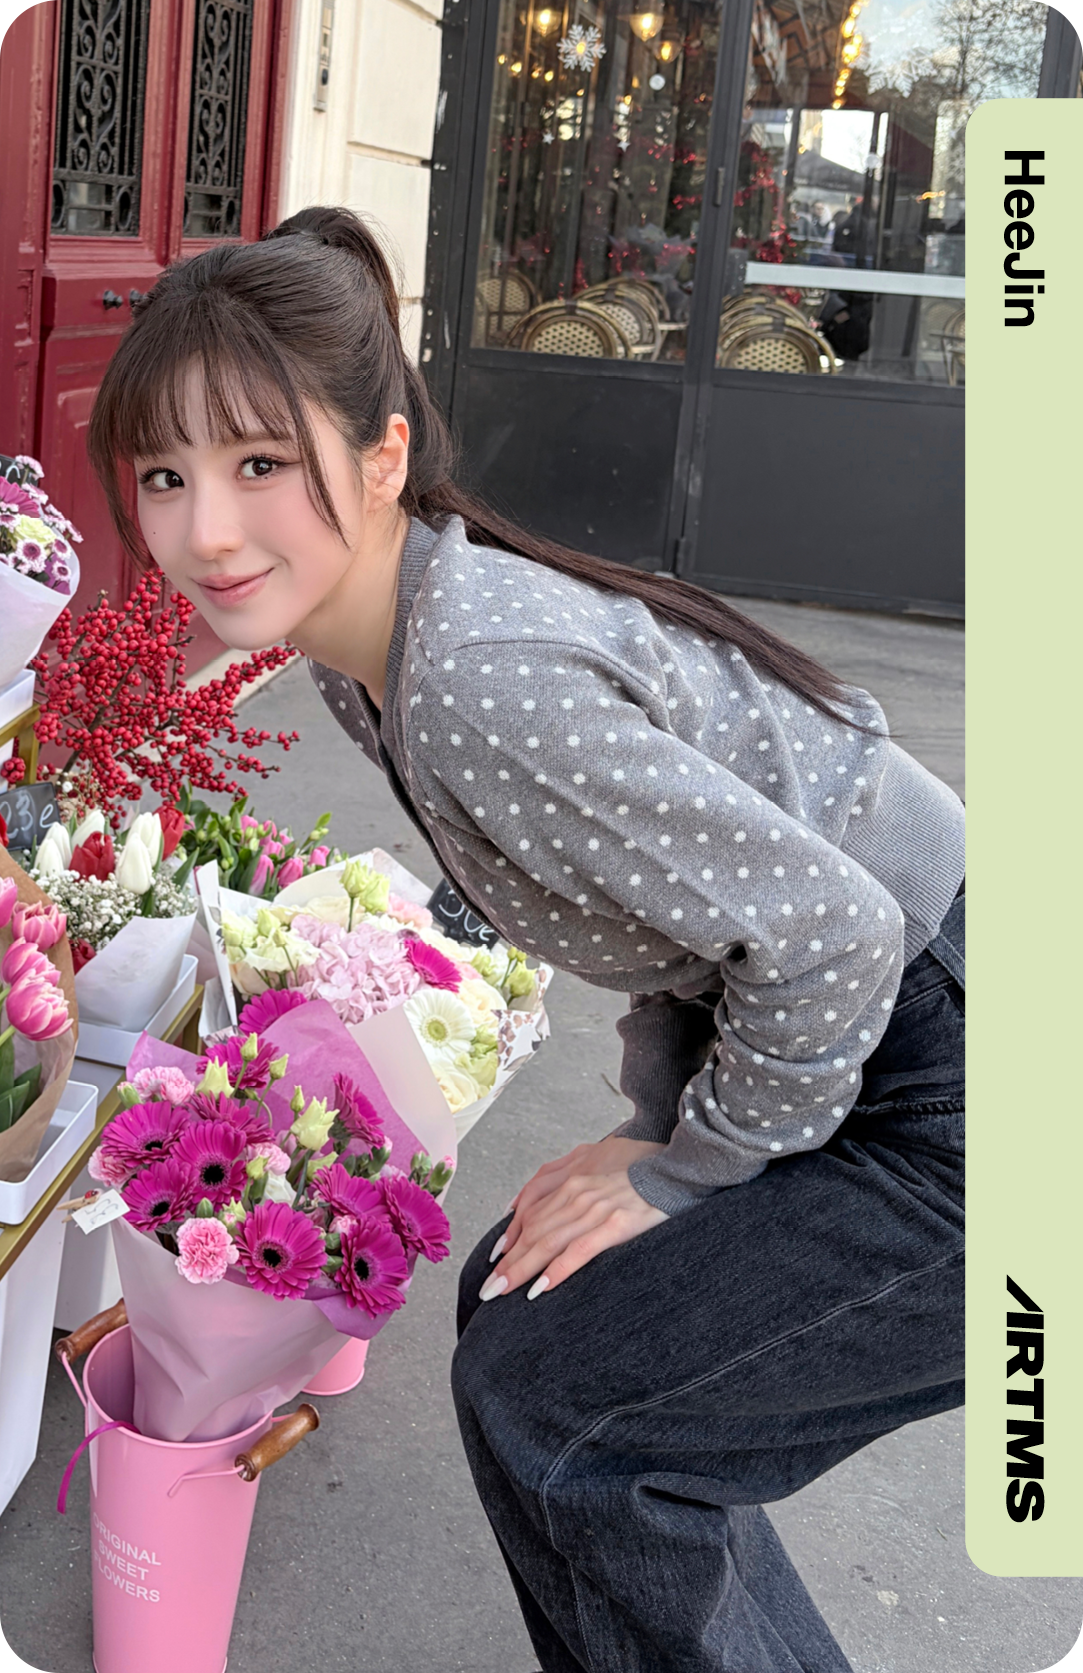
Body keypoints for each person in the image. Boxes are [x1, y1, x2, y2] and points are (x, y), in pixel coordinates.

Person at [87, 205, 965, 1673]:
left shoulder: (471, 678)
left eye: (259, 464)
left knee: (568, 1412)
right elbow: (686, 918)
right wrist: (659, 1130)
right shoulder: (384, 651)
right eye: (165, 475)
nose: (205, 530)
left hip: (958, 1060)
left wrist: (688, 1165)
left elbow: (831, 937)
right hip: (896, 1016)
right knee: (531, 1313)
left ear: (381, 456)